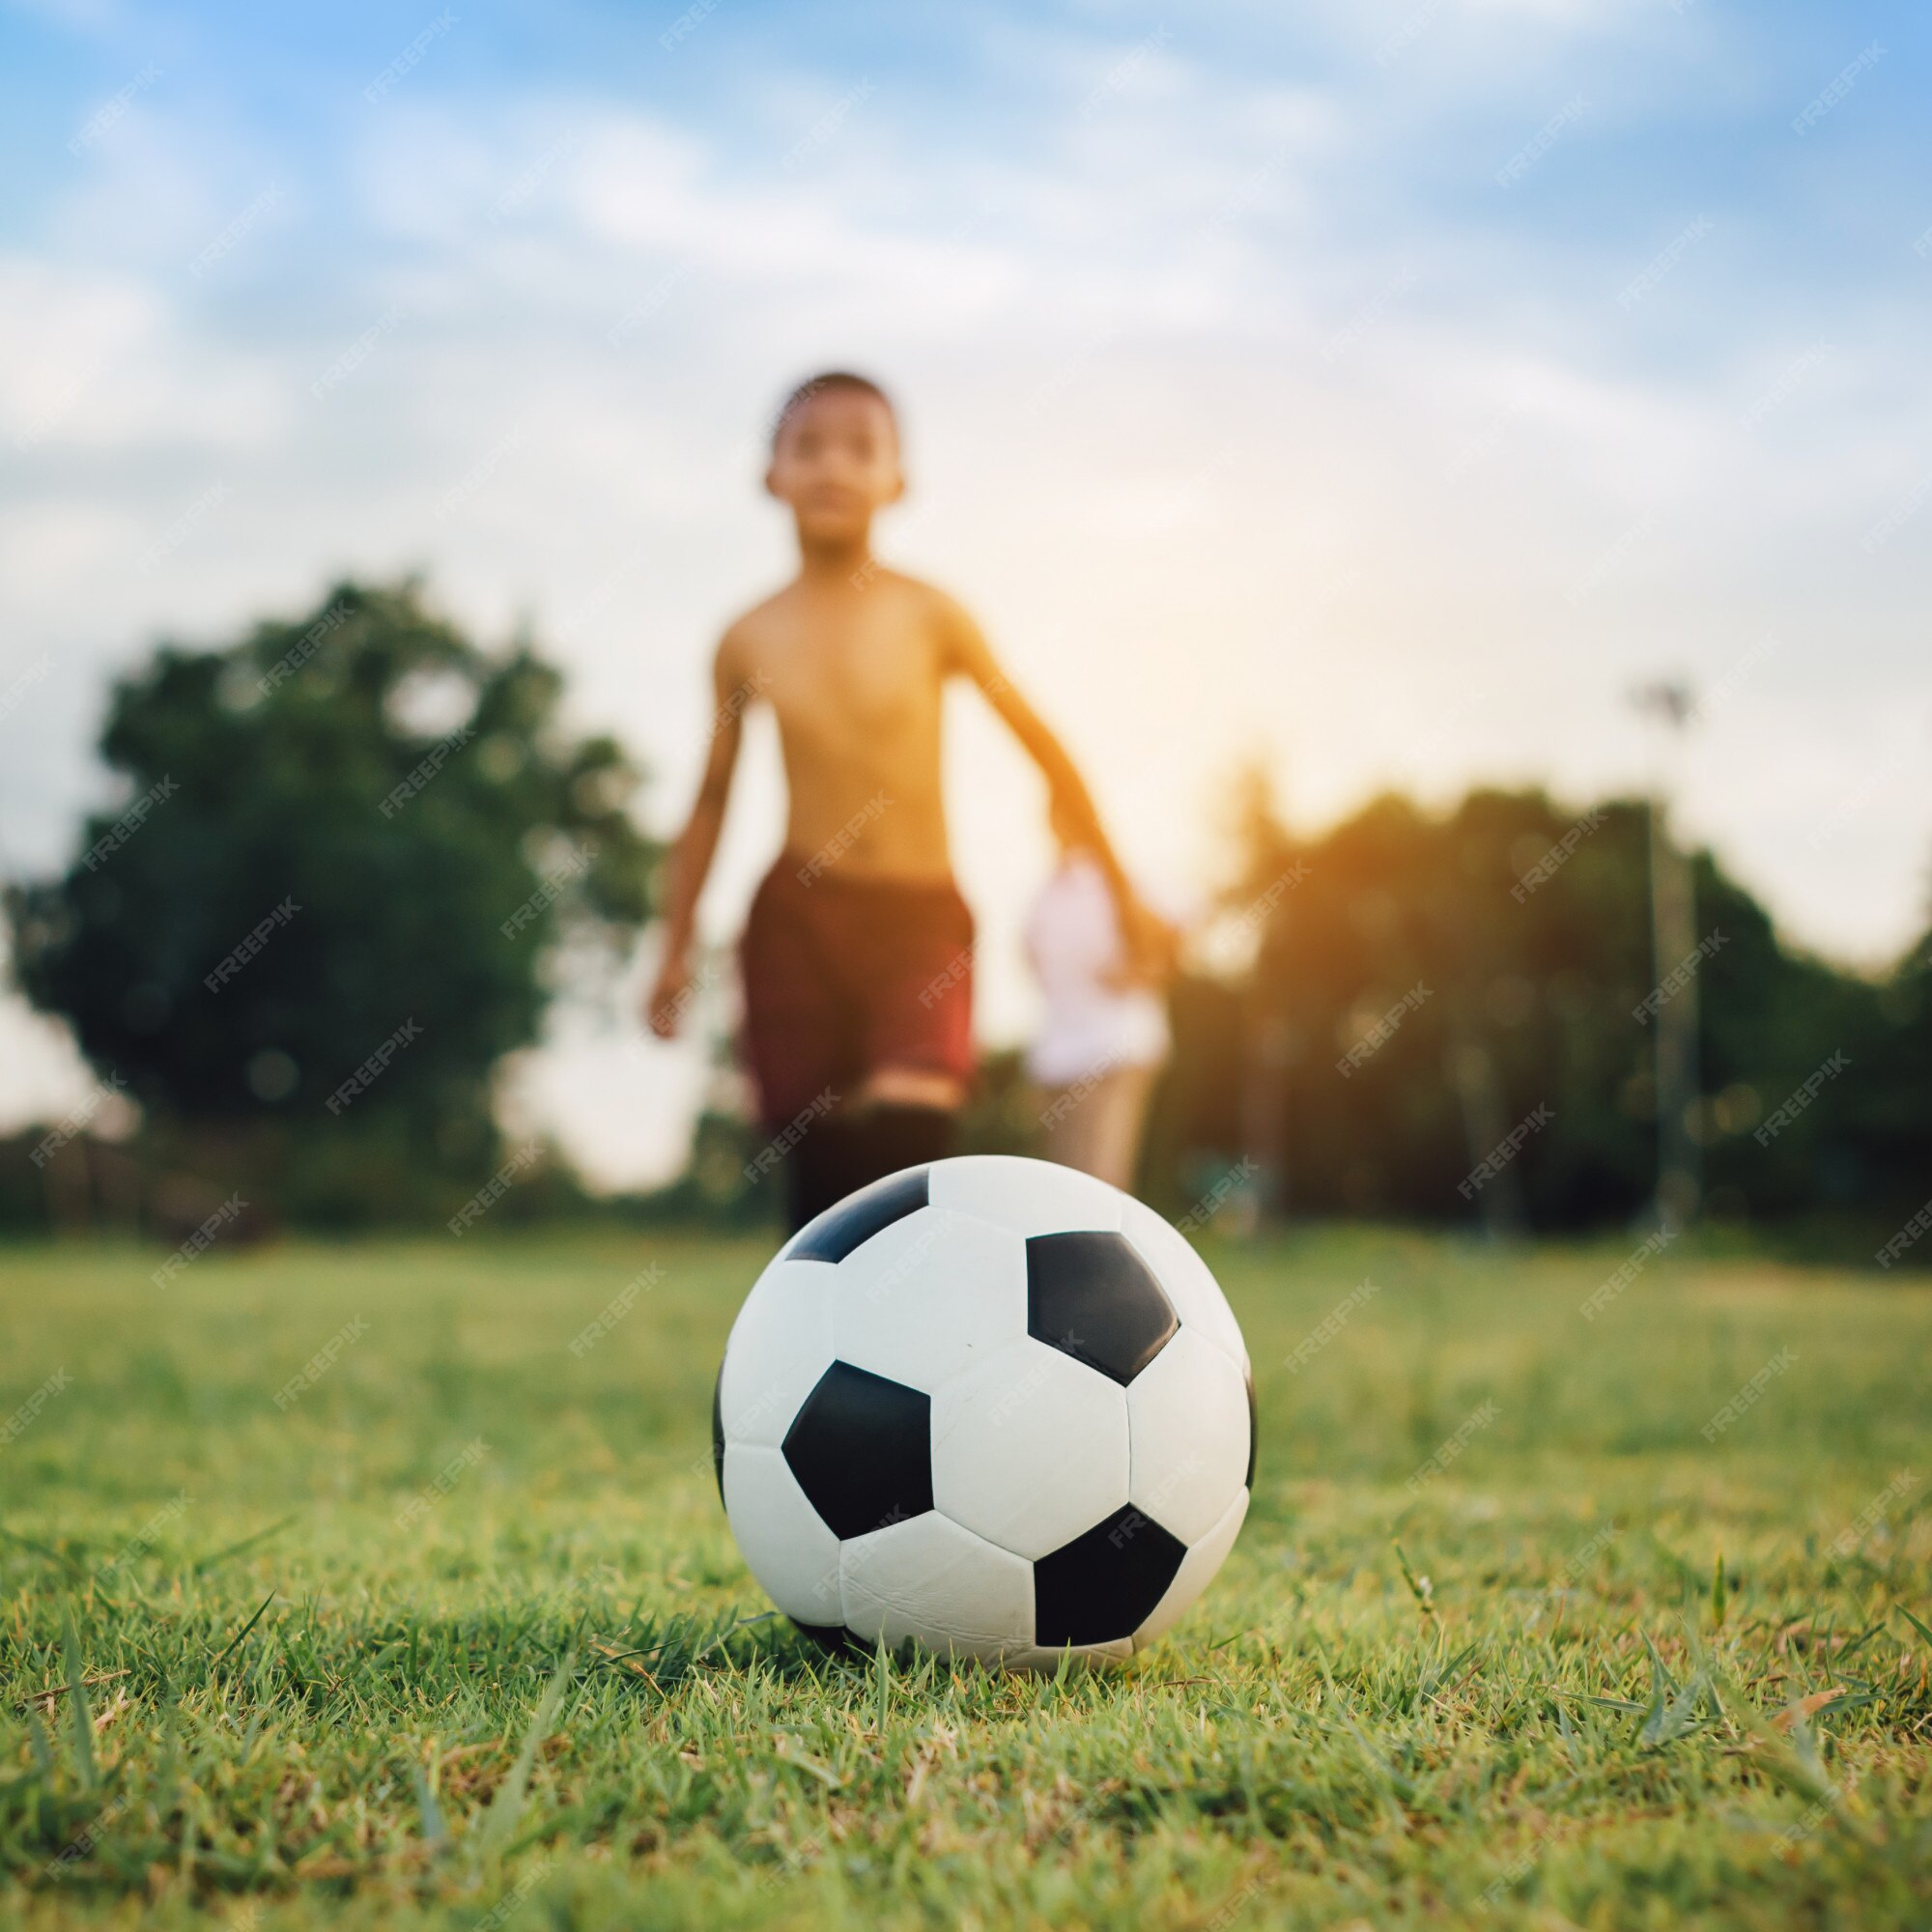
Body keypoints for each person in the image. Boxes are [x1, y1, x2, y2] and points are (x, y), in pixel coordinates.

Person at [645, 371, 1162, 1234]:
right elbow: (709, 802)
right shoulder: (747, 637)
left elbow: (1046, 752)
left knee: (910, 1125)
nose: (832, 467)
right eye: (807, 446)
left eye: (860, 447)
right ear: (769, 475)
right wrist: (673, 945)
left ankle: (923, 1339)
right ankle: (811, 1355)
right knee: (823, 1177)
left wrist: (1120, 890)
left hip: (917, 920)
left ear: (899, 480)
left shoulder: (933, 616)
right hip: (796, 920)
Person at [1026, 794, 1177, 1191]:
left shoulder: (1119, 883)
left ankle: (1096, 1255)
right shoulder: (1046, 894)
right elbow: (1031, 957)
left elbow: (1173, 931)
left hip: (1113, 1048)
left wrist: (1139, 969)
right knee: (1064, 1180)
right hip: (1060, 1054)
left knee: (1099, 1180)